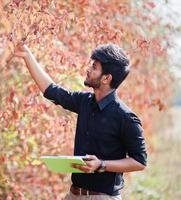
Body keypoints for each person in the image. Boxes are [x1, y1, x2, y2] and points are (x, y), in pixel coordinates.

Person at [14, 43, 147, 200]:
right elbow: (51, 91)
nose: (88, 69)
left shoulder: (125, 117)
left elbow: (140, 161)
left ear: (106, 78)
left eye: (94, 67)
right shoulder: (84, 101)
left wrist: (102, 165)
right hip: (73, 194)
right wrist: (27, 56)